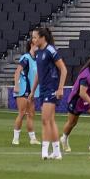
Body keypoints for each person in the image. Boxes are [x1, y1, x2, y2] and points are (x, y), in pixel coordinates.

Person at [31, 25, 69, 160]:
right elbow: (38, 74)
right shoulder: (38, 52)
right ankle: (57, 152)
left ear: (42, 37)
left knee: (45, 119)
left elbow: (63, 69)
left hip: (51, 89)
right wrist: (33, 91)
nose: (33, 40)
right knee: (51, 121)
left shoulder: (50, 50)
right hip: (42, 89)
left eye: (35, 37)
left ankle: (44, 151)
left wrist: (60, 88)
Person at [62, 55, 90, 153]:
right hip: (77, 100)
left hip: (88, 99)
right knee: (72, 123)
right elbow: (82, 93)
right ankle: (64, 138)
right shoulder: (86, 76)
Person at [12, 39, 39, 146]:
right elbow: (18, 71)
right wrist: (16, 85)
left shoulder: (36, 59)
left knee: (31, 114)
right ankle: (15, 138)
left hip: (32, 91)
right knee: (22, 113)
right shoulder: (26, 57)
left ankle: (32, 139)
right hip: (23, 89)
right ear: (32, 45)